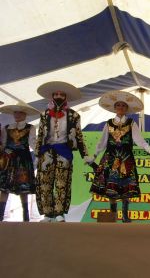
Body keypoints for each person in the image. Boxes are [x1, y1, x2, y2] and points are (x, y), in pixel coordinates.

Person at [89, 90, 150, 223]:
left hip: (126, 158)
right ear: (114, 108)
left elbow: (139, 139)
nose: (121, 108)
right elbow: (102, 141)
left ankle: (125, 215)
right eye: (118, 105)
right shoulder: (108, 123)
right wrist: (94, 156)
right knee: (111, 187)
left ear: (127, 109)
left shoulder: (131, 123)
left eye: (123, 106)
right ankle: (113, 215)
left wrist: (148, 148)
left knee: (126, 187)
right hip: (110, 158)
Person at [35, 81, 92, 222]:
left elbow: (79, 136)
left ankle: (60, 212)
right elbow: (40, 134)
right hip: (46, 151)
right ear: (52, 96)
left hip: (64, 151)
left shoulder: (74, 115)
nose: (58, 96)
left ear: (66, 97)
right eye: (56, 94)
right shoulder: (44, 114)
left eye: (61, 94)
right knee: (45, 183)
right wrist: (37, 154)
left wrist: (85, 155)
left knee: (62, 183)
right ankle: (48, 214)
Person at [0, 102, 39, 222]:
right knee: (4, 187)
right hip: (9, 159)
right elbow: (3, 143)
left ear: (25, 114)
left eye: (20, 112)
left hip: (23, 159)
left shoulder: (30, 127)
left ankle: (25, 215)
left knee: (24, 186)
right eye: (15, 112)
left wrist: (41, 153)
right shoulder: (6, 127)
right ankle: (1, 215)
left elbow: (33, 143)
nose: (17, 114)